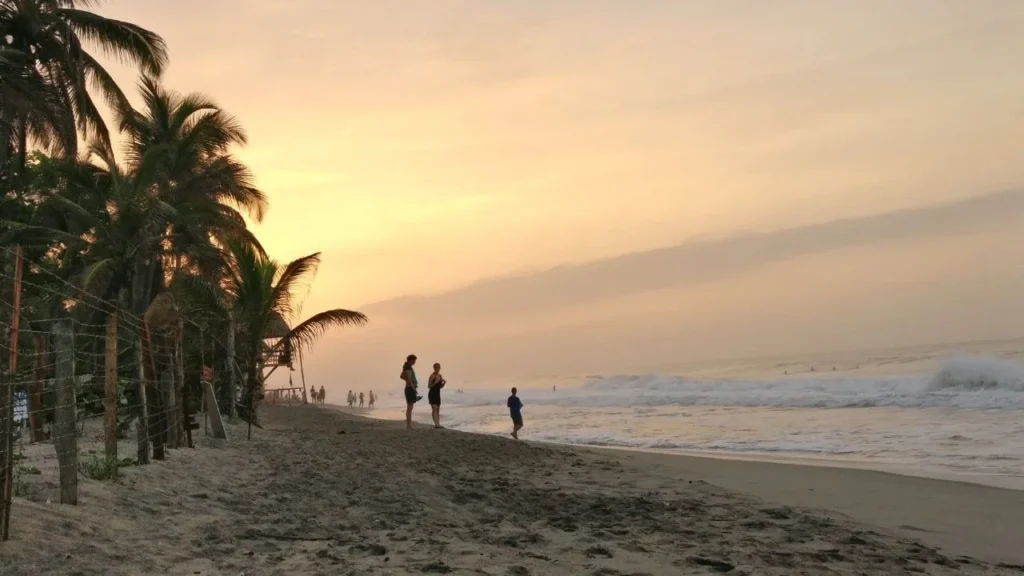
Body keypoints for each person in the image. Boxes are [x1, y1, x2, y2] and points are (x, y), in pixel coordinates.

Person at [401, 354, 421, 430]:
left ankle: (409, 425)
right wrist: (414, 389)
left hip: (408, 388)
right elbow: (409, 380)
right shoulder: (408, 368)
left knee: (409, 408)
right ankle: (409, 426)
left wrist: (408, 381)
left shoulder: (406, 367)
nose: (415, 362)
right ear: (411, 360)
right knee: (410, 408)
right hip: (410, 388)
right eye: (414, 360)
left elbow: (401, 376)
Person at [427, 363, 446, 429]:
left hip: (437, 394)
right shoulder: (432, 376)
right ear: (434, 368)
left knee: (437, 410)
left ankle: (438, 423)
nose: (437, 368)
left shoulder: (440, 376)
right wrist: (435, 382)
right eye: (436, 367)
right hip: (432, 393)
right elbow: (429, 386)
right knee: (434, 408)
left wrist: (444, 383)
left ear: (440, 368)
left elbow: (440, 387)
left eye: (438, 367)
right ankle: (436, 424)